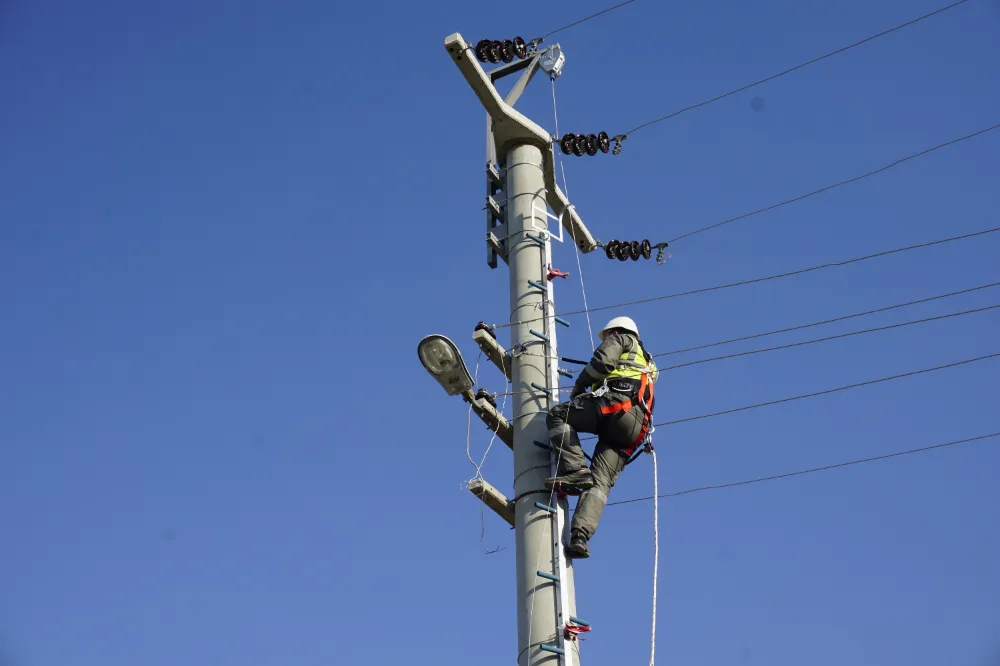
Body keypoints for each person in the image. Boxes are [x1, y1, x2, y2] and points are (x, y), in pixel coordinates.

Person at [544, 316, 658, 558]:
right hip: (635, 430)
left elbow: (603, 362)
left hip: (618, 407)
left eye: (606, 336)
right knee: (600, 481)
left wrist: (580, 384)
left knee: (558, 416)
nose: (605, 339)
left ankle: (575, 470)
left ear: (615, 331)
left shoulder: (622, 339)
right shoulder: (648, 362)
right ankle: (580, 536)